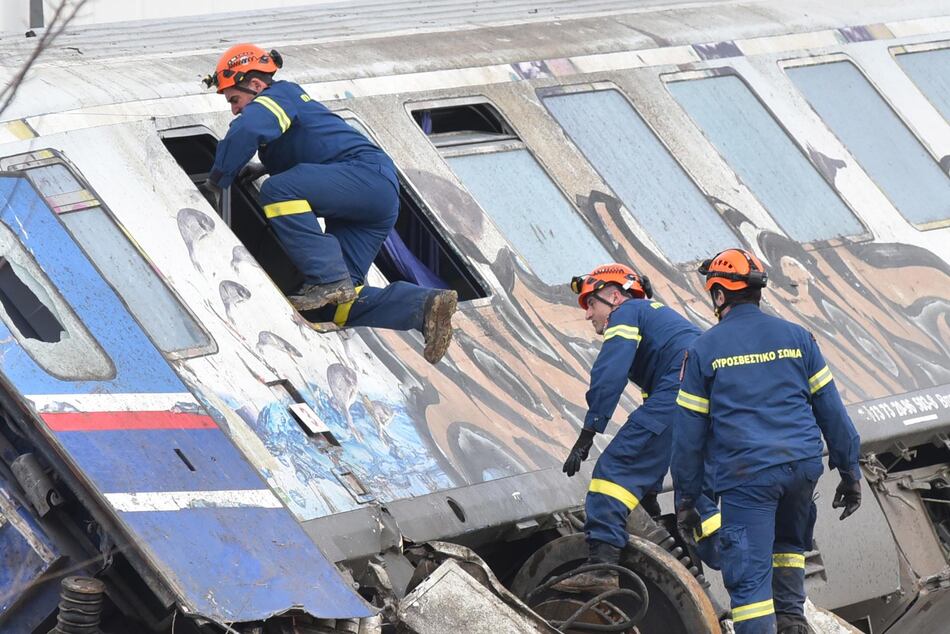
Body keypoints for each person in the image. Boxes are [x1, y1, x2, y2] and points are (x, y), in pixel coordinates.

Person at [202, 43, 455, 363]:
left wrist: (216, 181)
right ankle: (424, 306)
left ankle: (327, 278)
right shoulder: (287, 105)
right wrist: (262, 166)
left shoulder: (277, 96)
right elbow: (316, 145)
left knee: (278, 192)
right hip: (373, 195)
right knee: (339, 304)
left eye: (234, 100)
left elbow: (249, 128)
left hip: (364, 179)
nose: (235, 109)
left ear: (255, 85)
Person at [672, 248, 862, 634]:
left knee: (749, 587)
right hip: (802, 469)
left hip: (749, 476)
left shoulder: (704, 350)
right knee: (789, 551)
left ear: (720, 295)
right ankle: (792, 621)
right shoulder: (798, 339)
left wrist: (688, 499)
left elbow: (689, 438)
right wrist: (850, 471)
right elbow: (833, 413)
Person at [554, 263, 717, 593]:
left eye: (591, 304)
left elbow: (609, 373)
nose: (588, 315)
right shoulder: (662, 327)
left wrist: (588, 435)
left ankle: (601, 567)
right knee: (699, 504)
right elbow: (658, 428)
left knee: (613, 474)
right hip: (707, 404)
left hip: (681, 395)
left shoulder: (629, 312)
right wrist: (649, 492)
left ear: (614, 297)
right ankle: (748, 566)